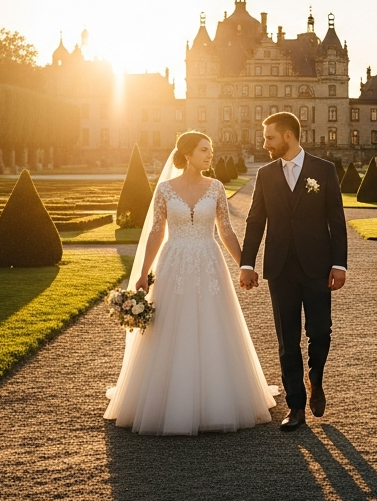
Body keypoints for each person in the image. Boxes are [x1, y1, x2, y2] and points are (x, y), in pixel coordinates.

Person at [105, 131, 277, 435]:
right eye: (204, 150)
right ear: (187, 154)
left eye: (210, 150)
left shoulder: (216, 187)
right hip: (174, 264)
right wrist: (144, 272)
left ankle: (217, 400)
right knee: (172, 325)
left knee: (215, 325)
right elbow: (157, 233)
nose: (210, 155)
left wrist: (245, 266)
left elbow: (226, 231)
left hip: (210, 263)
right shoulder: (165, 190)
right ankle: (168, 400)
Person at [239, 112, 347, 431]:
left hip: (317, 265)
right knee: (287, 339)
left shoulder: (323, 170)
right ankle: (296, 406)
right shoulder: (265, 174)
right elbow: (256, 221)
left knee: (320, 332)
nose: (264, 143)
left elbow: (336, 221)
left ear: (288, 136)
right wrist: (247, 263)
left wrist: (339, 264)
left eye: (269, 137)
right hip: (280, 267)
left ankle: (316, 377)